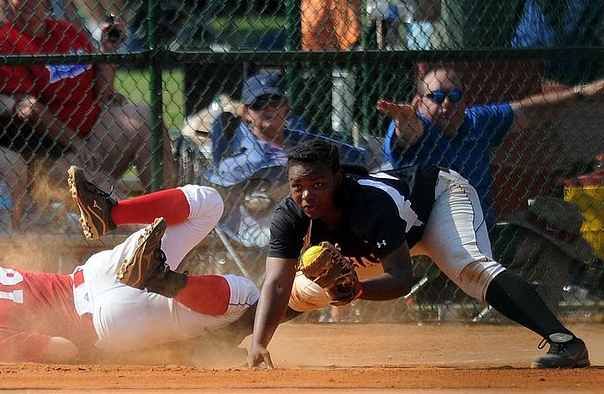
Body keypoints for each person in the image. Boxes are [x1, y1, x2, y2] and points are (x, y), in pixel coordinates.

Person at [248, 139, 590, 369]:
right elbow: (277, 285)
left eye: (318, 184)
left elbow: (401, 277)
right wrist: (260, 342)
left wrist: (358, 291)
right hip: (387, 236)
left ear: (338, 178)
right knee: (303, 291)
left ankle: (567, 343)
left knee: (470, 268)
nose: (306, 194)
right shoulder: (290, 215)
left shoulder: (369, 205)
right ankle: (224, 337)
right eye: (298, 186)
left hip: (436, 202)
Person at [0, 170, 258, 363]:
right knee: (207, 202)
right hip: (95, 272)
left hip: (108, 322)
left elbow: (65, 350)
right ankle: (115, 213)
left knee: (247, 297)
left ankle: (168, 283)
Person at [0, 0, 175, 195]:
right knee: (107, 195)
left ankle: (168, 202)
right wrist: (76, 143)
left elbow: (104, 92)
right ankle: (145, 220)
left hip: (94, 135)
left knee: (146, 115)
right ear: (7, 3)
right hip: (52, 152)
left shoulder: (67, 31)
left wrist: (108, 52)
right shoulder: (6, 43)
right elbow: (32, 111)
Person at [377, 67, 604, 229]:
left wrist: (580, 93)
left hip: (482, 230)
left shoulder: (476, 121)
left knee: (551, 250)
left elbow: (528, 111)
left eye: (454, 96)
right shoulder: (416, 126)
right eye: (435, 96)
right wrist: (403, 121)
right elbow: (409, 134)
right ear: (418, 102)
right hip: (430, 235)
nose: (446, 103)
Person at [204, 72, 366, 247]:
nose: (269, 109)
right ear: (246, 112)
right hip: (264, 225)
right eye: (259, 104)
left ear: (286, 106)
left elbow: (359, 159)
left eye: (275, 101)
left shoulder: (302, 141)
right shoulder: (236, 159)